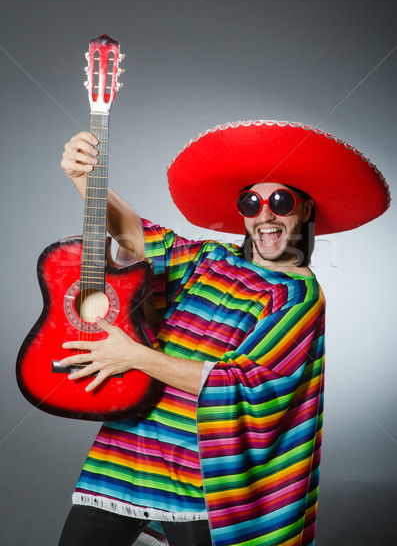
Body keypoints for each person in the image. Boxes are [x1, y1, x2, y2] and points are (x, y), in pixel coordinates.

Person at [57, 120, 389, 546]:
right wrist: (85, 180)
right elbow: (139, 236)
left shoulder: (298, 296)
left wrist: (135, 357)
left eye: (281, 201)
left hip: (200, 482)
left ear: (306, 210)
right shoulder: (210, 259)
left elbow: (244, 385)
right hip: (123, 459)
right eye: (251, 202)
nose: (264, 215)